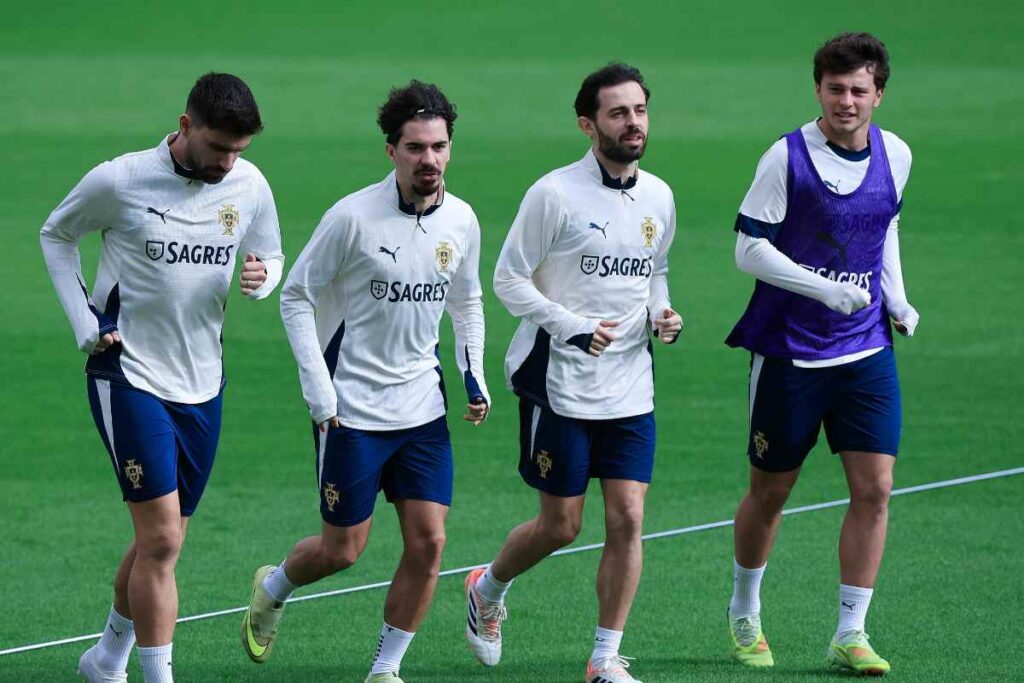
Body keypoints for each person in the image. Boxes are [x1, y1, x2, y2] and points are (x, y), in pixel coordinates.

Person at [241, 81, 489, 683]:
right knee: (342, 550)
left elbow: (468, 300)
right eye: (415, 148)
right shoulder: (351, 217)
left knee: (429, 544)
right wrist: (319, 393)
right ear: (391, 151)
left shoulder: (461, 220)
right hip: (350, 410)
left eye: (438, 147)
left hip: (422, 409)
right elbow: (296, 296)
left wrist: (473, 373)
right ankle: (273, 587)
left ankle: (385, 669)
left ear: (450, 149)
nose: (428, 159)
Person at [40, 72, 283, 683]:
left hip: (203, 380)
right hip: (127, 373)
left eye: (238, 151)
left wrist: (262, 278)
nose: (228, 163)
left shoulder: (248, 185)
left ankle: (105, 659)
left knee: (162, 539)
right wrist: (85, 321)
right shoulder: (120, 180)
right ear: (185, 126)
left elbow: (271, 253)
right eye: (218, 148)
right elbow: (56, 234)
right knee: (164, 543)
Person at [464, 63, 682, 683]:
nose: (633, 122)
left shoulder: (659, 195)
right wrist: (571, 326)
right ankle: (487, 587)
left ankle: (604, 657)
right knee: (561, 525)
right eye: (618, 113)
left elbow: (654, 268)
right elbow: (506, 280)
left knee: (628, 519)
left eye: (639, 110)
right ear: (589, 125)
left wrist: (661, 312)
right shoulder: (554, 194)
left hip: (631, 382)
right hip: (558, 380)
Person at [723, 32, 919, 676]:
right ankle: (745, 612)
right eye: (835, 89)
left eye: (858, 90)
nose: (846, 101)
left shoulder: (897, 154)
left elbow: (885, 223)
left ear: (878, 94)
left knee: (876, 489)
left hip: (865, 350)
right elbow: (748, 248)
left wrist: (897, 298)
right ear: (818, 90)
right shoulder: (785, 158)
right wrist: (823, 288)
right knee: (770, 492)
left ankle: (851, 632)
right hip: (790, 353)